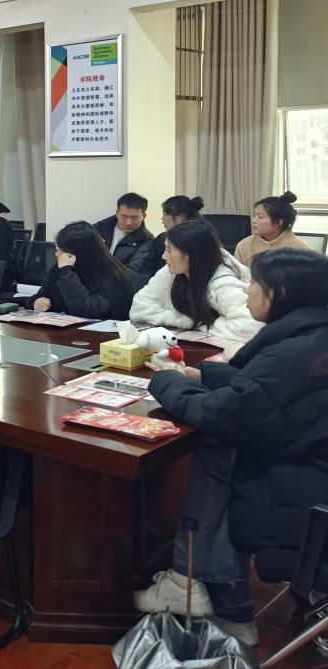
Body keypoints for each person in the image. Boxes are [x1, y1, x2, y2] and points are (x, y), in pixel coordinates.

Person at [134, 248, 328, 647]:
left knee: (221, 449)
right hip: (312, 468)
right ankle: (192, 582)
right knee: (222, 448)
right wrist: (201, 374)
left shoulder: (291, 352)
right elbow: (263, 391)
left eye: (254, 283)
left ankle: (216, 598)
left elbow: (231, 413)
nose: (246, 291)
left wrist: (168, 381)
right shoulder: (313, 337)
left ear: (280, 292)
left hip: (299, 495)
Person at [129, 221, 263, 344]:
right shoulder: (171, 271)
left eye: (169, 250)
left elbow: (251, 326)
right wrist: (182, 321)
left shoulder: (223, 282)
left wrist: (202, 326)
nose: (164, 256)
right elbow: (139, 308)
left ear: (191, 254)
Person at [32, 221, 134, 320]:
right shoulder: (63, 266)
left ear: (80, 253)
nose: (57, 253)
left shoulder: (110, 274)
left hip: (100, 330)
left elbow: (86, 310)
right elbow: (42, 295)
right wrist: (36, 302)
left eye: (63, 250)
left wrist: (66, 272)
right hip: (61, 327)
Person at [128, 196, 205, 288]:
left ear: (179, 217)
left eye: (164, 214)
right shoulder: (161, 239)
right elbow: (147, 269)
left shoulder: (200, 240)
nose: (162, 219)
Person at [235, 192, 309, 267]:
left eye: (260, 217)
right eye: (254, 216)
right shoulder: (244, 245)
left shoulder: (301, 249)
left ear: (279, 222)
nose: (253, 220)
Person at [93, 192, 154, 268]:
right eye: (124, 217)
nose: (129, 223)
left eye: (135, 218)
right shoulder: (98, 229)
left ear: (144, 216)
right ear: (117, 213)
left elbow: (134, 270)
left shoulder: (147, 241)